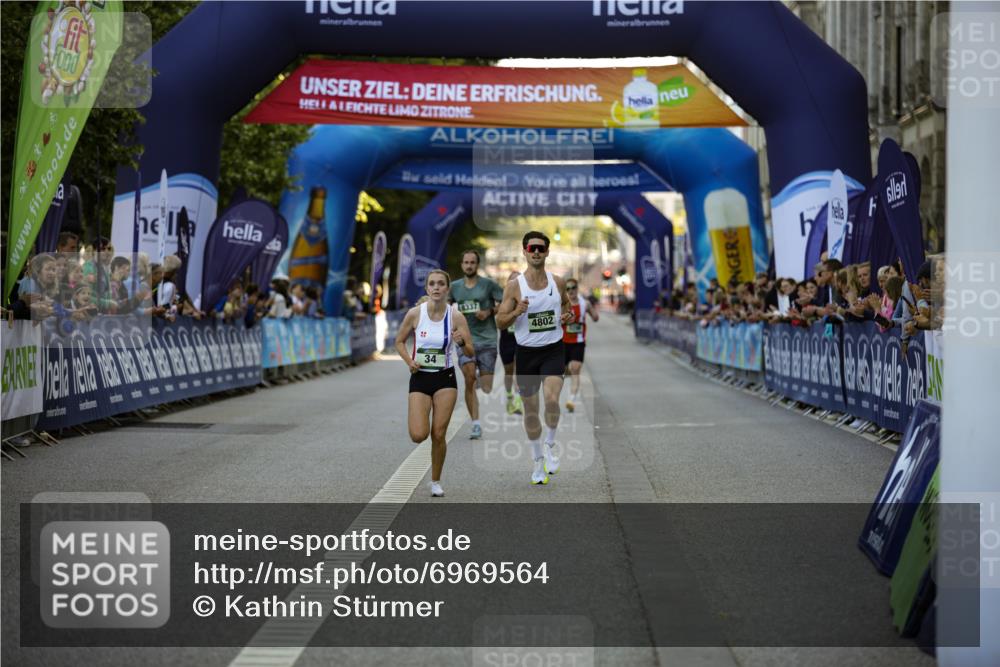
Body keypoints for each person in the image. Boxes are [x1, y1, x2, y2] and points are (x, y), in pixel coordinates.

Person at [495, 231, 574, 485]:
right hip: (526, 353)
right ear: (525, 251)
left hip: (553, 349)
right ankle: (538, 462)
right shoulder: (515, 286)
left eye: (541, 248)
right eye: (532, 248)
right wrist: (517, 311)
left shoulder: (558, 282)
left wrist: (566, 316)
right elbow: (499, 321)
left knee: (552, 399)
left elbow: (566, 305)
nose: (536, 252)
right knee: (531, 411)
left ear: (548, 252)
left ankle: (550, 445)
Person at [394, 269, 474, 497]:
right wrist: (409, 361)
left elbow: (471, 350)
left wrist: (460, 343)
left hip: (445, 377)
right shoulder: (415, 314)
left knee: (438, 433)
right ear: (427, 288)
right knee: (418, 435)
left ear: (447, 289)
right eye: (432, 284)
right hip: (420, 377)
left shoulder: (456, 317)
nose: (436, 287)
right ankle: (421, 420)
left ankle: (435, 481)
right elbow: (399, 341)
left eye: (441, 284)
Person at [449, 249, 504, 440]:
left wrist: (489, 311)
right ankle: (476, 424)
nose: (469, 265)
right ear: (462, 265)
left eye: (472, 262)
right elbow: (444, 308)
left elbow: (506, 301)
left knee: (487, 386)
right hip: (465, 339)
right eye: (466, 262)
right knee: (470, 377)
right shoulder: (454, 287)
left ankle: (478, 383)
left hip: (487, 339)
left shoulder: (488, 285)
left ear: (477, 265)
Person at [562, 278, 599, 413]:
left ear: (577, 288)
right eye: (568, 289)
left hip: (578, 343)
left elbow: (595, 317)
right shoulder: (562, 305)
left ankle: (571, 400)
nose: (571, 291)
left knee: (575, 369)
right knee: (561, 372)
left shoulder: (585, 304)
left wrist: (593, 314)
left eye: (573, 288)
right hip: (563, 342)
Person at [498, 271, 524, 416]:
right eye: (512, 281)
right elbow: (498, 321)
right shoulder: (503, 300)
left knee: (519, 371)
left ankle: (518, 402)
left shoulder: (526, 298)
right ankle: (509, 398)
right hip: (506, 340)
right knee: (508, 372)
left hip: (521, 341)